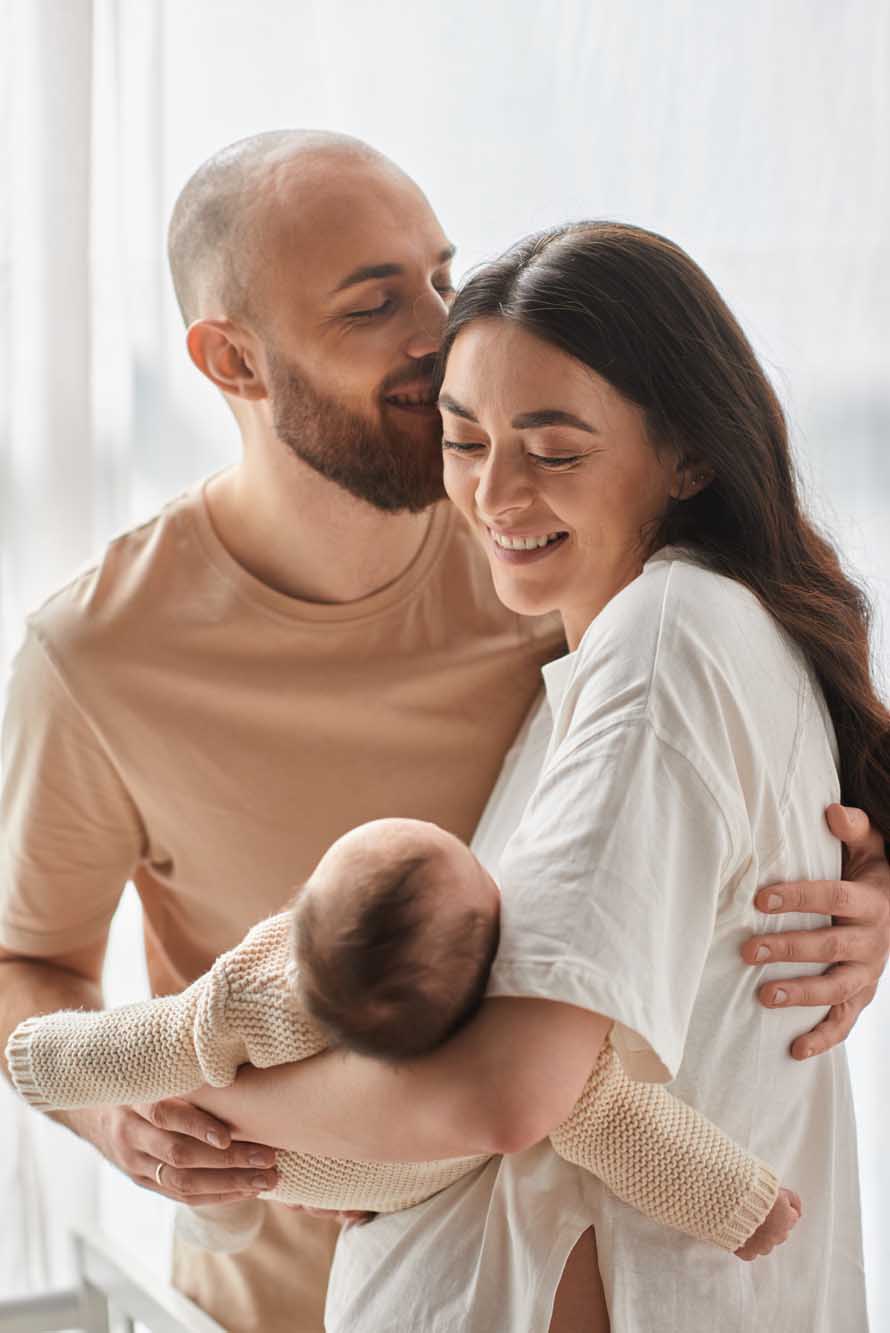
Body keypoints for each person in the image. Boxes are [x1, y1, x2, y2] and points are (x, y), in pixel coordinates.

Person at [0, 132, 887, 1332]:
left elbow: (733, 740)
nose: (433, 326)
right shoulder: (96, 654)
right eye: (373, 303)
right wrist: (130, 1115)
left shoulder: (545, 568)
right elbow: (23, 963)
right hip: (265, 1285)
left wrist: (860, 880)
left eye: (435, 272)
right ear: (232, 360)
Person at [5, 815, 799, 1262]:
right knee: (210, 1165)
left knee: (220, 1181)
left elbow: (147, 1039)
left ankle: (227, 1223)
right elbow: (629, 1128)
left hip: (285, 1166)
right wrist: (741, 1204)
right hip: (404, 1181)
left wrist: (38, 1061)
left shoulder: (263, 992)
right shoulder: (514, 1026)